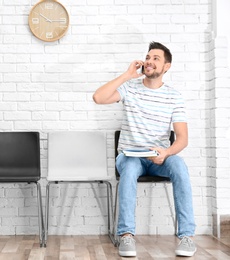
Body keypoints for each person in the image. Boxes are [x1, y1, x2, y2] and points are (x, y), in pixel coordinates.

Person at [93, 42, 196, 257]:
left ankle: (187, 236)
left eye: (156, 58)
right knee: (129, 170)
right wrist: (127, 75)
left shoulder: (173, 97)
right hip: (130, 156)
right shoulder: (130, 88)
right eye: (148, 57)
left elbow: (182, 138)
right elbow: (98, 98)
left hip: (159, 157)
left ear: (166, 66)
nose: (149, 61)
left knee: (179, 166)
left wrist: (166, 153)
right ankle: (126, 236)